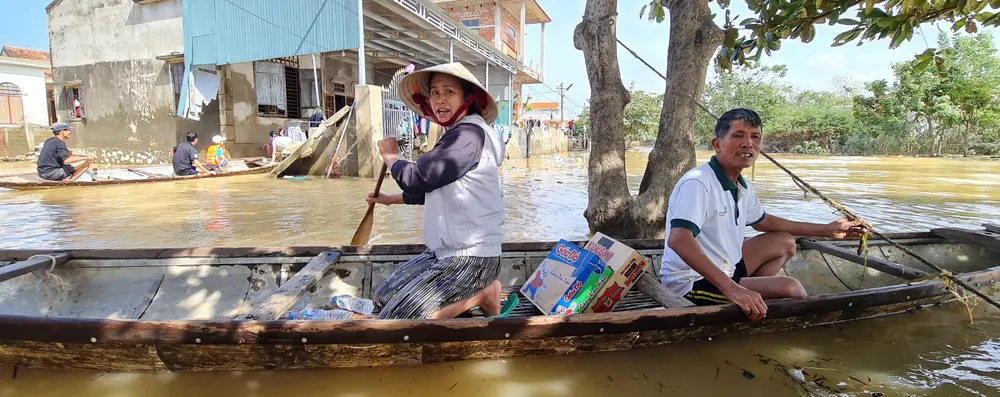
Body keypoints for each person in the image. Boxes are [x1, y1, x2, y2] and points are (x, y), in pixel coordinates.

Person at [660, 108, 868, 322]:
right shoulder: (698, 182)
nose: (748, 144)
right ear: (717, 144)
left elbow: (765, 222)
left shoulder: (741, 185)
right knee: (791, 288)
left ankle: (751, 299)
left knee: (784, 241)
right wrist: (731, 288)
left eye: (755, 137)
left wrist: (828, 230)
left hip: (726, 267)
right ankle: (744, 297)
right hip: (691, 282)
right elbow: (679, 239)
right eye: (738, 136)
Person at [364, 62, 506, 320]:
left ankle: (484, 294)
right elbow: (431, 190)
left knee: (398, 321)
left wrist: (391, 157)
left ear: (468, 98)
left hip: (470, 257)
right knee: (383, 297)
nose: (440, 99)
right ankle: (464, 302)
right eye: (435, 92)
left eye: (449, 91)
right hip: (443, 253)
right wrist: (388, 200)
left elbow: (417, 178)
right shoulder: (456, 135)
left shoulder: (468, 136)